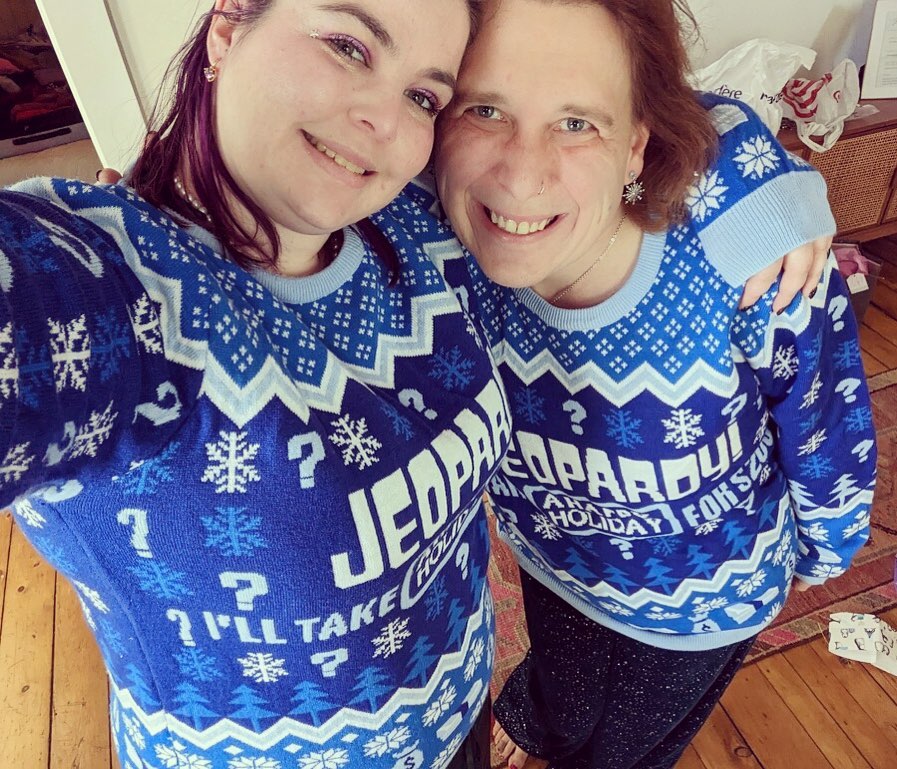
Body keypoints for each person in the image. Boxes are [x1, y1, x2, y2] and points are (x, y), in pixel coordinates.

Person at [0, 2, 508, 768]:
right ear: (227, 31)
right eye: (347, 45)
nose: (384, 120)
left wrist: (739, 171)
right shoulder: (123, 293)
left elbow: (599, 101)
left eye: (423, 96)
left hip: (457, 705)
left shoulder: (418, 218)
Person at [430, 1, 878, 768]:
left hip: (703, 604)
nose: (522, 171)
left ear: (635, 144)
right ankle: (536, 720)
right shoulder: (444, 245)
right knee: (562, 700)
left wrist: (829, 545)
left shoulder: (745, 260)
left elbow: (823, 416)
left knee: (622, 753)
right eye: (484, 107)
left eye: (577, 123)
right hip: (552, 560)